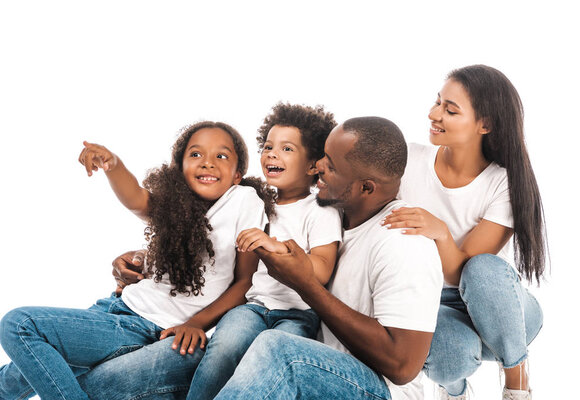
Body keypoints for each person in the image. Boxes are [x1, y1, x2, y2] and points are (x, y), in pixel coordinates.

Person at [0, 121, 272, 400]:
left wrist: (196, 323)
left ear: (238, 174)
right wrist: (114, 165)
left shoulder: (243, 200)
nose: (208, 163)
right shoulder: (174, 207)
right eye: (195, 154)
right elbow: (137, 199)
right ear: (180, 169)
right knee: (17, 374)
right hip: (115, 309)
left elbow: (244, 282)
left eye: (221, 156)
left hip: (146, 327)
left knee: (19, 325)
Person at [209, 116, 444, 399]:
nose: (318, 165)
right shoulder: (332, 216)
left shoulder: (403, 242)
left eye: (330, 166)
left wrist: (306, 285)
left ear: (366, 188)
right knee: (189, 355)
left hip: (379, 390)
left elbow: (402, 366)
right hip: (318, 367)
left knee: (278, 349)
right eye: (323, 156)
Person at [381, 65, 545, 399]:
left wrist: (440, 232)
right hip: (436, 306)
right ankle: (454, 391)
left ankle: (516, 378)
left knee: (482, 267)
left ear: (485, 125)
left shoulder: (503, 182)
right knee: (449, 353)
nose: (433, 114)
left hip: (503, 311)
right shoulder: (409, 160)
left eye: (449, 109)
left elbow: (464, 274)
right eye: (437, 102)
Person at [186, 103, 342, 399]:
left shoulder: (320, 211)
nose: (271, 154)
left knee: (270, 366)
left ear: (312, 166)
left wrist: (275, 246)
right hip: (254, 306)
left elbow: (321, 270)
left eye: (286, 149)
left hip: (298, 314)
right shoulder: (255, 202)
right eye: (268, 146)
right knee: (224, 349)